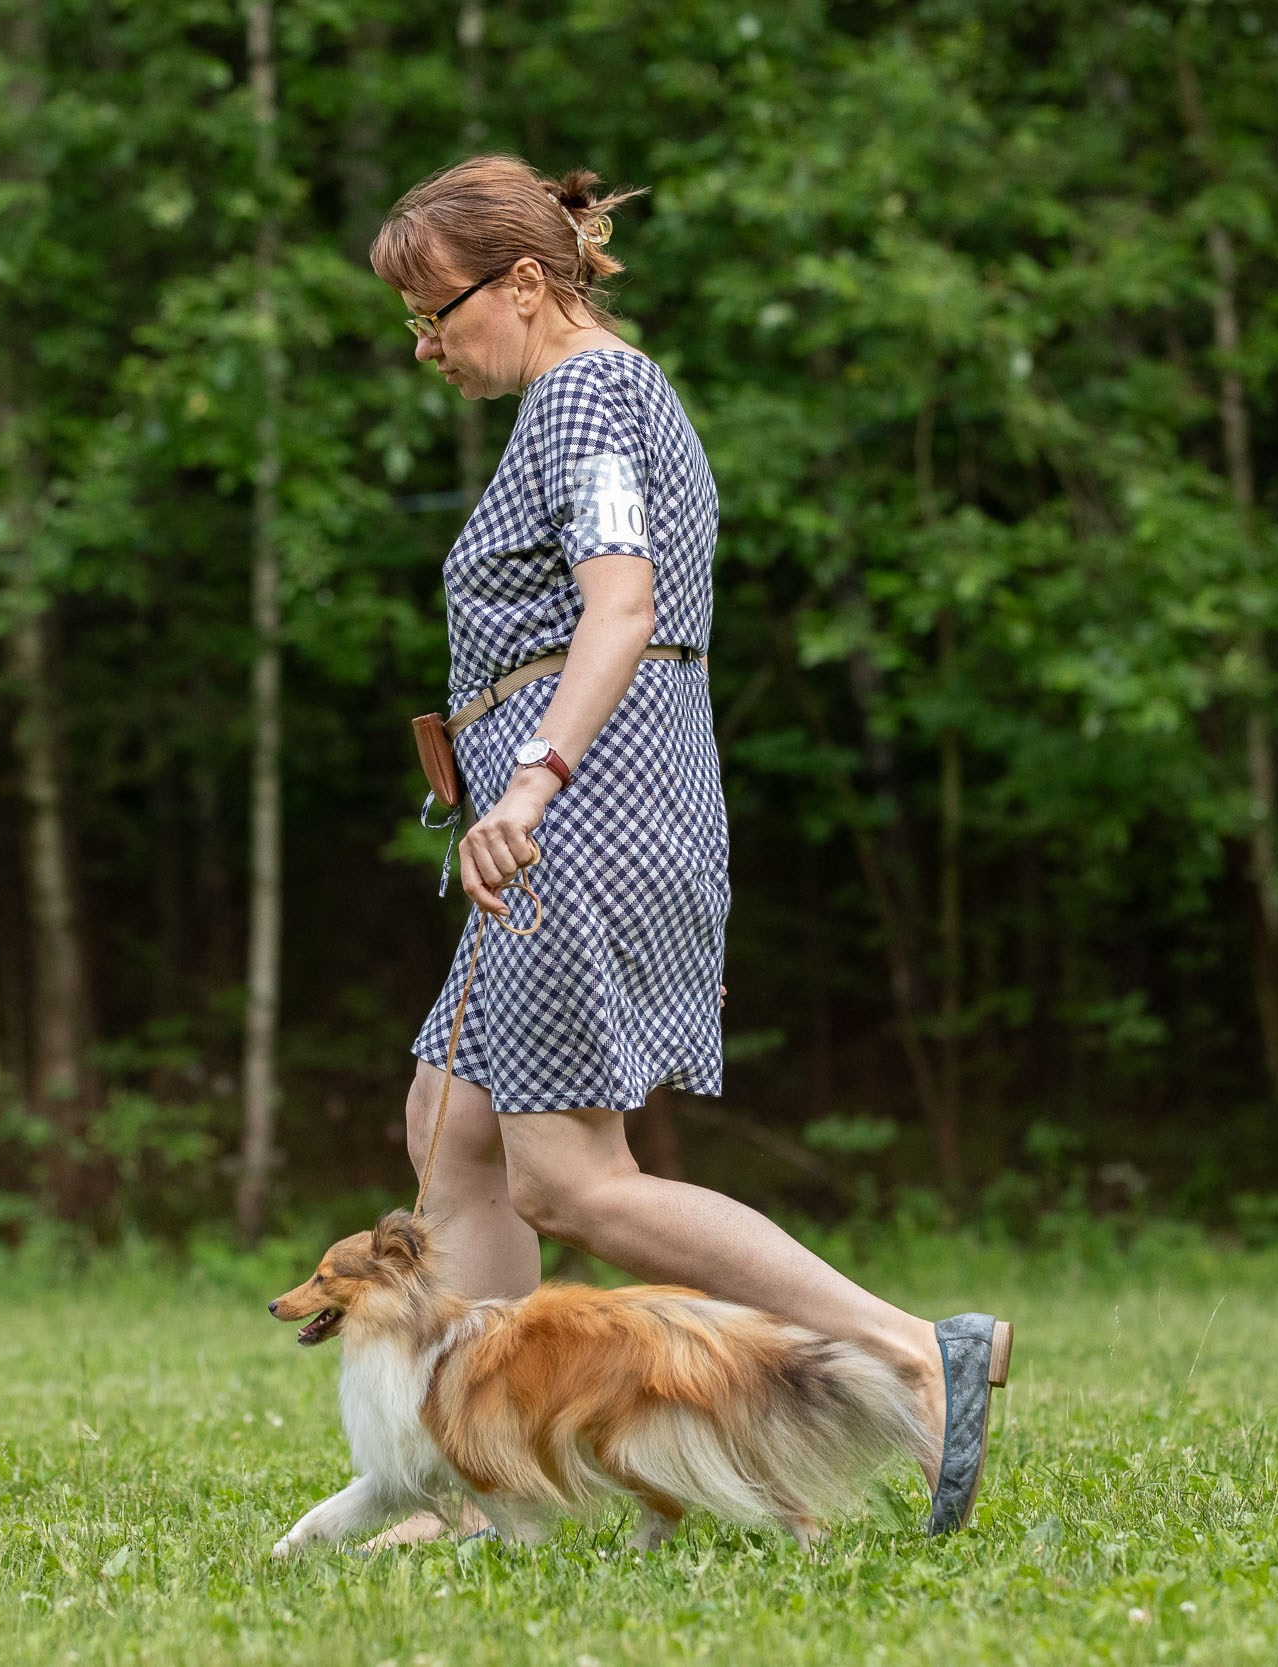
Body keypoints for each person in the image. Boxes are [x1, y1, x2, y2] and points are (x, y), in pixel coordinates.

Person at [367, 154, 1010, 1545]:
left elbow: (621, 607)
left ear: (522, 284)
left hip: (577, 813)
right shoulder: (590, 400)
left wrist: (532, 781)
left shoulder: (588, 397)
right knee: (449, 1129)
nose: (425, 347)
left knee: (568, 1179)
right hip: (584, 813)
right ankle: (486, 1488)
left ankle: (912, 1350)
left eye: (435, 314)